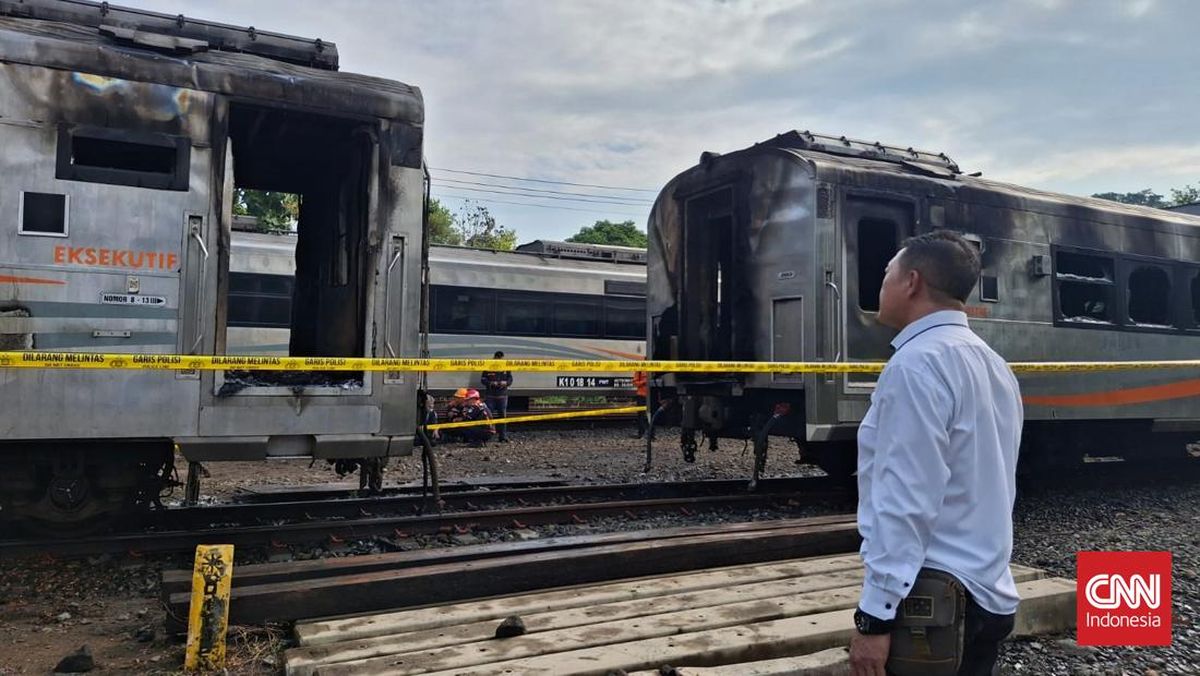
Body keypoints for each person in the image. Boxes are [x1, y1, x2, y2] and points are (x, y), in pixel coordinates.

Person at [849, 230, 1023, 676]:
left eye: (886, 273)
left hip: (937, 600)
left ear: (911, 282)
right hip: (990, 591)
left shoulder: (916, 365)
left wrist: (875, 615)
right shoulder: (992, 363)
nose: (880, 283)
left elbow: (905, 499)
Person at [480, 351, 512, 443]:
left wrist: (505, 383)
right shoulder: (488, 366)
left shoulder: (506, 367)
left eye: (500, 358)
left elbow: (510, 379)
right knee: (487, 416)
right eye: (497, 358)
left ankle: (503, 436)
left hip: (502, 396)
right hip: (490, 396)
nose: (498, 360)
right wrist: (491, 383)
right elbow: (483, 379)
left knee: (503, 417)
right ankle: (486, 436)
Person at [632, 370, 649, 439]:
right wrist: (643, 382)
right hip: (641, 395)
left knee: (651, 414)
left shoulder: (653, 368)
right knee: (641, 415)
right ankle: (641, 433)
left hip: (650, 395)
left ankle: (651, 434)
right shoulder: (639, 370)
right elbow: (635, 383)